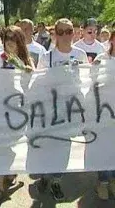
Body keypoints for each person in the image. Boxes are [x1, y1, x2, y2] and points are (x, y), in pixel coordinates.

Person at [36, 19, 88, 201]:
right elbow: (38, 82)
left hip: (72, 110)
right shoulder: (46, 57)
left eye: (69, 31)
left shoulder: (80, 54)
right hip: (51, 110)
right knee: (48, 145)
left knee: (65, 147)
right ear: (55, 34)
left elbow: (88, 80)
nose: (66, 35)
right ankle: (44, 175)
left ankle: (56, 182)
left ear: (74, 33)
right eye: (62, 31)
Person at [0, 26, 34, 207]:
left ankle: (9, 171)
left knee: (11, 143)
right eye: (7, 38)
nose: (10, 42)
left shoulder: (26, 60)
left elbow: (31, 84)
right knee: (0, 145)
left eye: (14, 38)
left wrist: (28, 73)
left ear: (20, 41)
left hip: (17, 110)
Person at [93, 31, 115, 200]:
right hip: (105, 111)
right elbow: (92, 80)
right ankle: (103, 182)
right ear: (112, 39)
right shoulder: (101, 58)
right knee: (106, 146)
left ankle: (112, 180)